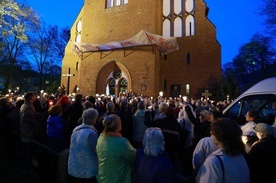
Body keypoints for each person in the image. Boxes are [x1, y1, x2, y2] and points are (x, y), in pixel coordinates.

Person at [196, 118, 250, 183]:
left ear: (219, 136)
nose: (210, 133)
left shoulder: (214, 162)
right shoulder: (240, 156)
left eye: (212, 133)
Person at [96, 114, 136, 183]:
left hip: (102, 177)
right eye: (120, 123)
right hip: (118, 178)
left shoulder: (101, 137)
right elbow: (133, 157)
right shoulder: (122, 142)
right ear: (117, 126)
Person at [68, 108, 99, 183]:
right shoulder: (91, 134)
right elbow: (96, 150)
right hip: (86, 170)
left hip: (74, 168)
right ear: (94, 120)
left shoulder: (75, 131)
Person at [20, 92, 41, 174]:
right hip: (28, 132)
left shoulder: (25, 105)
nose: (35, 97)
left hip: (25, 131)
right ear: (31, 98)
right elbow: (26, 118)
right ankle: (27, 167)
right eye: (34, 96)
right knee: (28, 151)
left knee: (26, 150)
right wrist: (36, 123)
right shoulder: (28, 107)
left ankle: (25, 165)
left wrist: (35, 114)